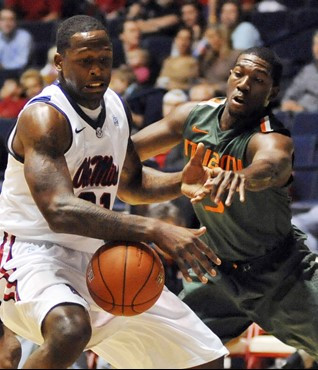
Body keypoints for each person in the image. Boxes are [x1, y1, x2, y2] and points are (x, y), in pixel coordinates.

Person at [0, 15, 228, 369]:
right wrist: (154, 229)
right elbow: (59, 210)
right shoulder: (45, 118)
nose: (97, 71)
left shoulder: (116, 108)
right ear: (59, 62)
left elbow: (131, 185)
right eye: (86, 61)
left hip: (100, 254)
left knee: (204, 360)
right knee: (70, 330)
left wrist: (179, 181)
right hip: (32, 252)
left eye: (104, 60)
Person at [132, 46, 318, 362]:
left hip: (279, 274)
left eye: (257, 80)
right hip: (216, 276)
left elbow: (272, 164)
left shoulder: (271, 137)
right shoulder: (193, 115)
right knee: (166, 357)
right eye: (239, 73)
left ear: (271, 92)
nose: (244, 84)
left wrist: (243, 177)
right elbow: (125, 154)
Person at [280, 30, 318, 113]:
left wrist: (305, 110)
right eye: (315, 44)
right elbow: (289, 96)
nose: (316, 48)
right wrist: (288, 104)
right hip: (298, 117)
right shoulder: (308, 70)